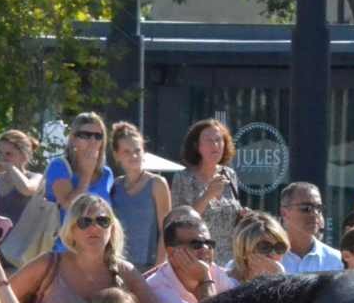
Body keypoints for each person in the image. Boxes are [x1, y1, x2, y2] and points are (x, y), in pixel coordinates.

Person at [0, 195, 176, 303]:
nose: (95, 228)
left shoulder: (126, 271)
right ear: (71, 231)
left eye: (102, 221)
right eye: (85, 222)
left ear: (112, 229)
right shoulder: (48, 264)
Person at [172, 118, 242, 264]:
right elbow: (179, 222)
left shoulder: (230, 174)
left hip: (230, 261)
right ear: (197, 146)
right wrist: (207, 195)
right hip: (197, 257)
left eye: (219, 140)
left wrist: (243, 215)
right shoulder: (183, 178)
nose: (215, 145)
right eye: (209, 140)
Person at [142, 209, 235, 303]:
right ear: (172, 252)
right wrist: (205, 279)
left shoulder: (214, 270)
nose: (205, 249)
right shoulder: (156, 286)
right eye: (196, 244)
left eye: (209, 243)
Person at [108, 122, 172, 272]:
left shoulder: (157, 183)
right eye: (127, 152)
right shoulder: (114, 186)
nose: (134, 156)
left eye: (137, 150)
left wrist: (159, 267)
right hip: (118, 265)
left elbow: (167, 230)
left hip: (149, 266)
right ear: (117, 155)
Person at [45, 113, 114, 215]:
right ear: (73, 139)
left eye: (98, 136)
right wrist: (86, 176)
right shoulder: (59, 166)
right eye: (85, 135)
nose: (92, 141)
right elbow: (68, 206)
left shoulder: (106, 173)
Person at [0, 130, 45, 271]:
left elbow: (27, 189)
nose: (2, 158)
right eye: (0, 153)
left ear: (24, 156)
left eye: (9, 154)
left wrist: (10, 167)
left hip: (16, 255)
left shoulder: (35, 177)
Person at [277, 182, 342, 274]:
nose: (315, 213)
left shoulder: (335, 261)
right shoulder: (269, 257)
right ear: (284, 213)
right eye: (306, 208)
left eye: (318, 208)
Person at [227, 212, 289, 283]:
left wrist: (279, 275)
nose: (273, 253)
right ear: (244, 250)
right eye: (264, 247)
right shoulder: (226, 283)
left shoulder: (283, 271)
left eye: (280, 247)